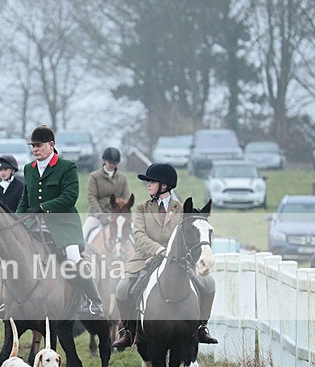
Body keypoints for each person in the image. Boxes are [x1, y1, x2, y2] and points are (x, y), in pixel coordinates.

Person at [111, 163, 218, 350]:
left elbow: (190, 233)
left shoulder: (182, 209)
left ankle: (201, 326)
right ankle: (127, 330)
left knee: (209, 284)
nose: (148, 185)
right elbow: (139, 236)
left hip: (178, 260)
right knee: (122, 288)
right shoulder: (142, 208)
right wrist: (158, 250)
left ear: (164, 185)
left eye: (152, 181)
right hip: (146, 258)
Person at [13, 124, 106, 319]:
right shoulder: (29, 169)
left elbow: (70, 197)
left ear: (51, 145)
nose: (35, 149)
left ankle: (95, 302)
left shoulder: (66, 167)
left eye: (39, 145)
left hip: (63, 226)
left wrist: (43, 207)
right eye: (33, 146)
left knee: (73, 257)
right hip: (34, 225)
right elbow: (25, 201)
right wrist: (16, 221)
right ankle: (9, 302)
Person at [82, 147, 131, 242]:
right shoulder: (94, 176)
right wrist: (100, 215)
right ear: (105, 160)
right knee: (83, 236)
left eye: (115, 163)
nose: (112, 165)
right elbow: (91, 197)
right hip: (97, 215)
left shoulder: (122, 178)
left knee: (133, 233)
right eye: (110, 162)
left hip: (118, 215)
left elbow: (126, 197)